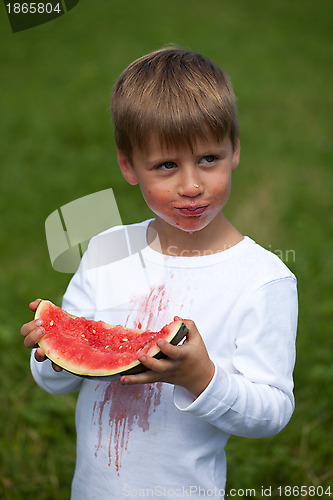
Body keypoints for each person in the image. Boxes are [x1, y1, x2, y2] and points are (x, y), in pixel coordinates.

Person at [21, 46, 298, 499]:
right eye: (166, 166)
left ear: (235, 151)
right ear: (128, 166)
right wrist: (51, 352)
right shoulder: (108, 249)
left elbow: (272, 412)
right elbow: (61, 379)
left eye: (209, 159)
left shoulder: (263, 280)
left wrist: (201, 378)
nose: (191, 186)